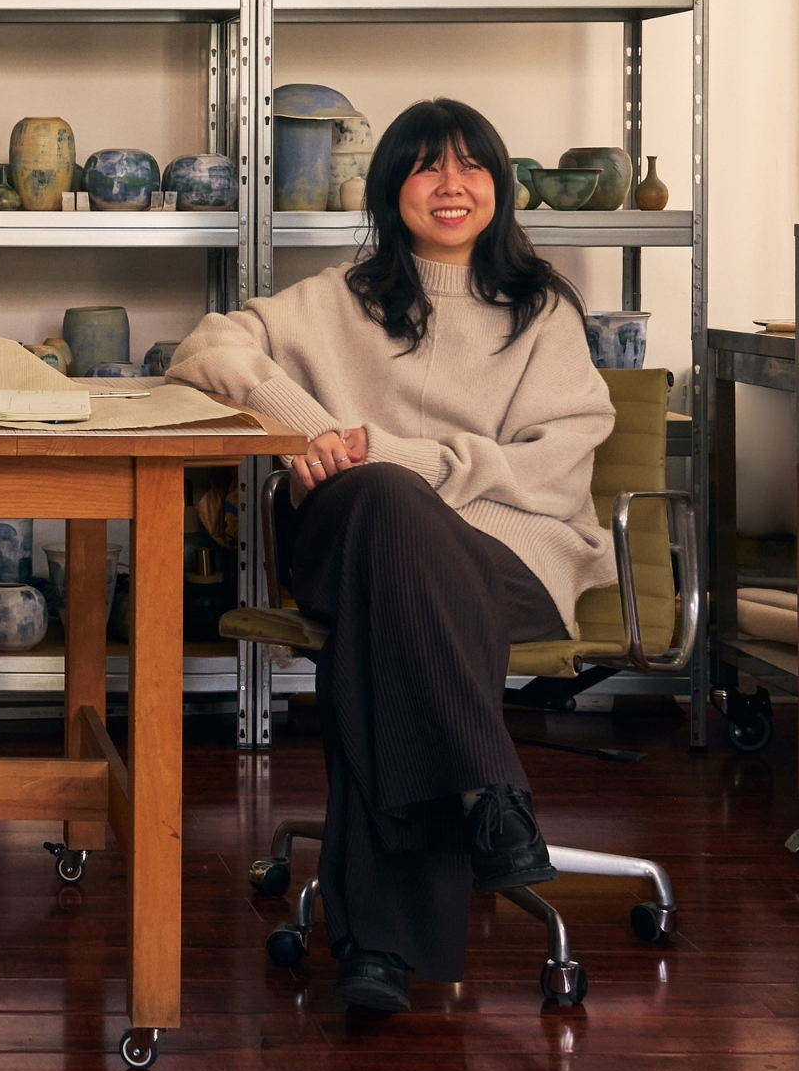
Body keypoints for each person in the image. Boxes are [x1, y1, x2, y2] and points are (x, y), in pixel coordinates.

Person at [166, 98, 616, 1012]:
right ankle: (490, 790)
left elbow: (555, 466)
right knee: (378, 503)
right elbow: (201, 349)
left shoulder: (541, 313)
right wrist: (312, 430)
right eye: (425, 167)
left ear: (501, 186)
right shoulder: (336, 299)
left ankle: (375, 950)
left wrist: (394, 457)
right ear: (388, 188)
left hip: (504, 555)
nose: (450, 187)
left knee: (382, 616)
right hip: (350, 531)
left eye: (471, 166)